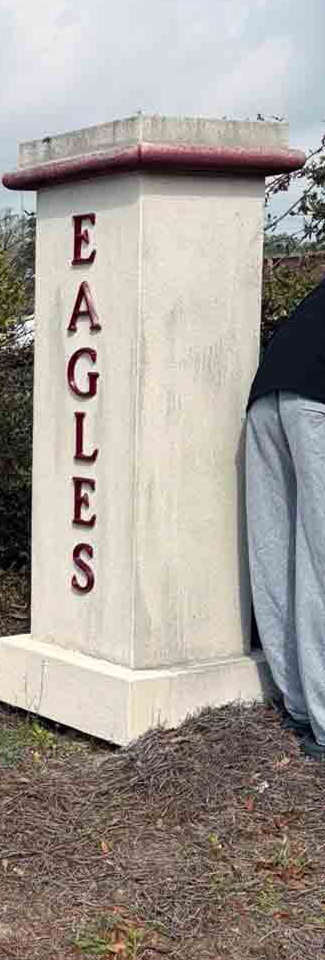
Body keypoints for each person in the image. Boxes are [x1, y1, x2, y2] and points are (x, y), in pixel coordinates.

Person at [244, 279, 325, 758]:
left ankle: (298, 703)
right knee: (318, 560)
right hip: (316, 405)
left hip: (268, 395)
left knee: (277, 551)